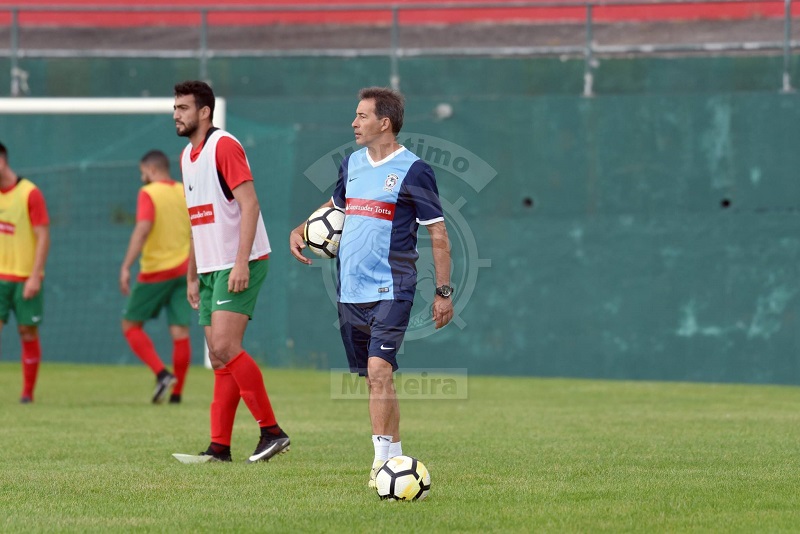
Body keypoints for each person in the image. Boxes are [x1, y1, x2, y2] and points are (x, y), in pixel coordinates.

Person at [289, 87, 454, 487]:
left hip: (393, 288)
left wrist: (443, 293)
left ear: (385, 122)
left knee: (379, 370)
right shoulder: (352, 163)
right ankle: (393, 456)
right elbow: (336, 207)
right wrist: (300, 228)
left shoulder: (414, 170)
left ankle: (381, 465)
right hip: (350, 291)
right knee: (376, 377)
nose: (354, 123)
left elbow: (438, 234)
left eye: (361, 116)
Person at [172, 80, 289, 463]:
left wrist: (241, 261)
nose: (177, 114)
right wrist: (192, 274)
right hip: (208, 267)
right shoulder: (186, 156)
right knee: (218, 357)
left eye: (184, 108)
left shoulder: (225, 145)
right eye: (175, 108)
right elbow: (196, 220)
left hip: (240, 261)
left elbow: (250, 204)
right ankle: (219, 448)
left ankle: (272, 431)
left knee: (224, 347)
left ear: (204, 112)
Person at [119, 150, 192, 404]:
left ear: (150, 170)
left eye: (142, 173)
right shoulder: (184, 190)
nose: (142, 178)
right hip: (185, 269)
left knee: (130, 326)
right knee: (180, 330)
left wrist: (126, 266)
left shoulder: (148, 193)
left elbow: (142, 229)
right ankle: (177, 394)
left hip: (156, 270)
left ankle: (162, 374)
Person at [0, 142, 50, 404]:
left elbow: (43, 236)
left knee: (27, 333)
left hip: (24, 279)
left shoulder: (29, 193)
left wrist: (34, 275)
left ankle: (27, 394)